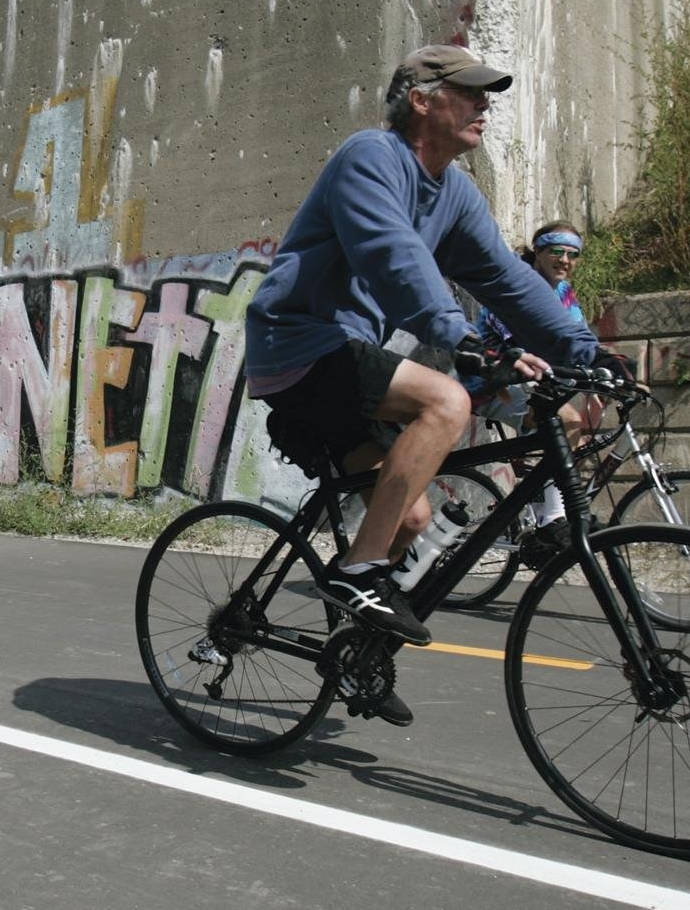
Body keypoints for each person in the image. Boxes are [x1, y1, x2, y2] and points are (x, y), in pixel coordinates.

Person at [245, 44, 607, 724]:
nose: (484, 105)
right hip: (299, 342)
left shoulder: (455, 194)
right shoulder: (371, 159)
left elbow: (508, 279)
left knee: (410, 519)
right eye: (469, 92)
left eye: (486, 95)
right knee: (447, 400)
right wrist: (457, 334)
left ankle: (353, 650)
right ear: (420, 100)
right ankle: (358, 574)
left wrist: (588, 351)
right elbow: (393, 257)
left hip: (349, 357)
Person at [467, 221, 607, 555]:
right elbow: (524, 344)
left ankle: (550, 513)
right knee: (567, 422)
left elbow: (577, 340)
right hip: (491, 382)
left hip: (533, 379)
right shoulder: (515, 284)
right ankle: (552, 522)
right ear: (539, 251)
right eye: (557, 251)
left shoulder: (564, 292)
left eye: (573, 254)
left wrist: (605, 373)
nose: (565, 260)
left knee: (571, 436)